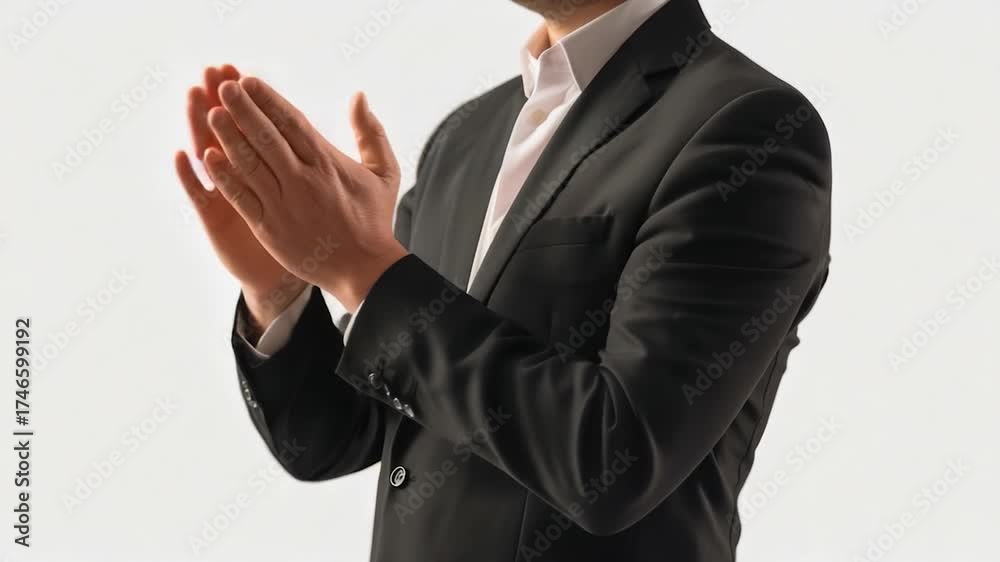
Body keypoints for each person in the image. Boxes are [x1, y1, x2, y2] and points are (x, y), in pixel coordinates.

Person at [173, 0, 832, 559]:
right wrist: (280, 289)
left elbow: (617, 459)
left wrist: (363, 268)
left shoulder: (748, 127)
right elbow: (337, 436)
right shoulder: (466, 136)